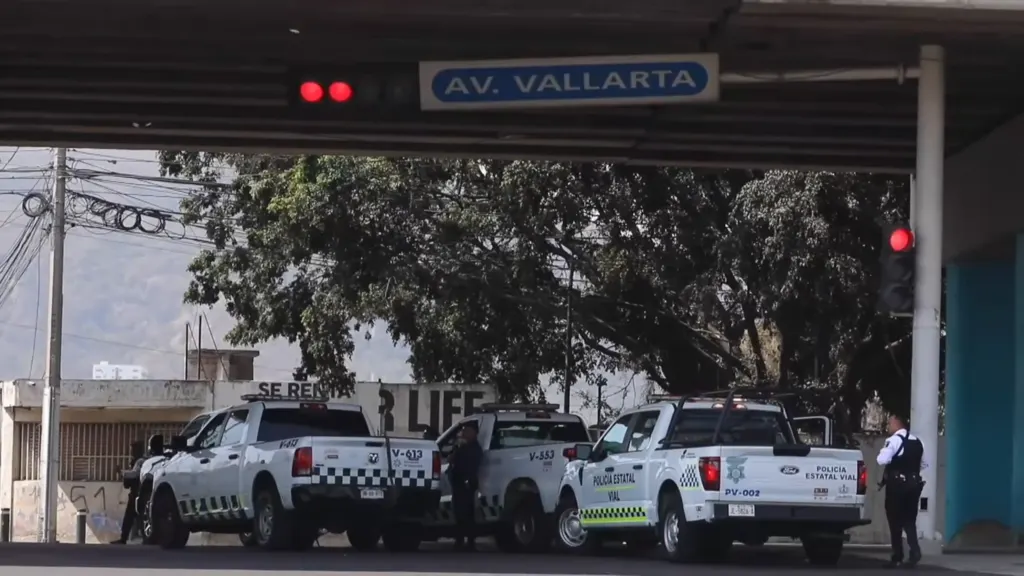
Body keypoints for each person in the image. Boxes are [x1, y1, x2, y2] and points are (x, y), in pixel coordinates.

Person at [876, 414, 928, 568]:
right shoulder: (918, 442)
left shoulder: (893, 440)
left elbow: (882, 460)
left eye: (890, 422)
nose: (889, 426)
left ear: (897, 423)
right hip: (914, 484)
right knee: (909, 520)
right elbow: (925, 465)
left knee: (895, 520)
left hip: (897, 485)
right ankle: (915, 550)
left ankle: (897, 555)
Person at [448, 422, 483, 551]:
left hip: (467, 483)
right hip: (458, 482)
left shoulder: (475, 449)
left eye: (467, 431)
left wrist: (467, 480)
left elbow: (471, 467)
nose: (464, 433)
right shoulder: (461, 447)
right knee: (459, 512)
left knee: (467, 513)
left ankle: (469, 541)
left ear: (474, 433)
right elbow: (451, 459)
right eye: (464, 431)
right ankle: (460, 540)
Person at [111, 441, 146, 544]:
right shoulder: (134, 462)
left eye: (133, 450)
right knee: (130, 517)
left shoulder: (141, 462)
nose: (131, 453)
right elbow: (128, 482)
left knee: (138, 518)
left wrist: (122, 473)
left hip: (138, 494)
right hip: (134, 493)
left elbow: (134, 475)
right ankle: (124, 538)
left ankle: (128, 538)